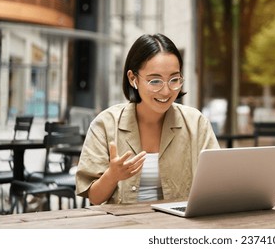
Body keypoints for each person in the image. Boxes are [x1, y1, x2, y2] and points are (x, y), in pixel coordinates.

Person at [75, 34, 220, 205]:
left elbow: (218, 182)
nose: (166, 91)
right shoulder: (105, 124)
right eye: (155, 81)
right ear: (133, 78)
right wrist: (112, 176)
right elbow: (95, 198)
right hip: (125, 225)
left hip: (177, 225)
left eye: (174, 79)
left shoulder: (196, 123)